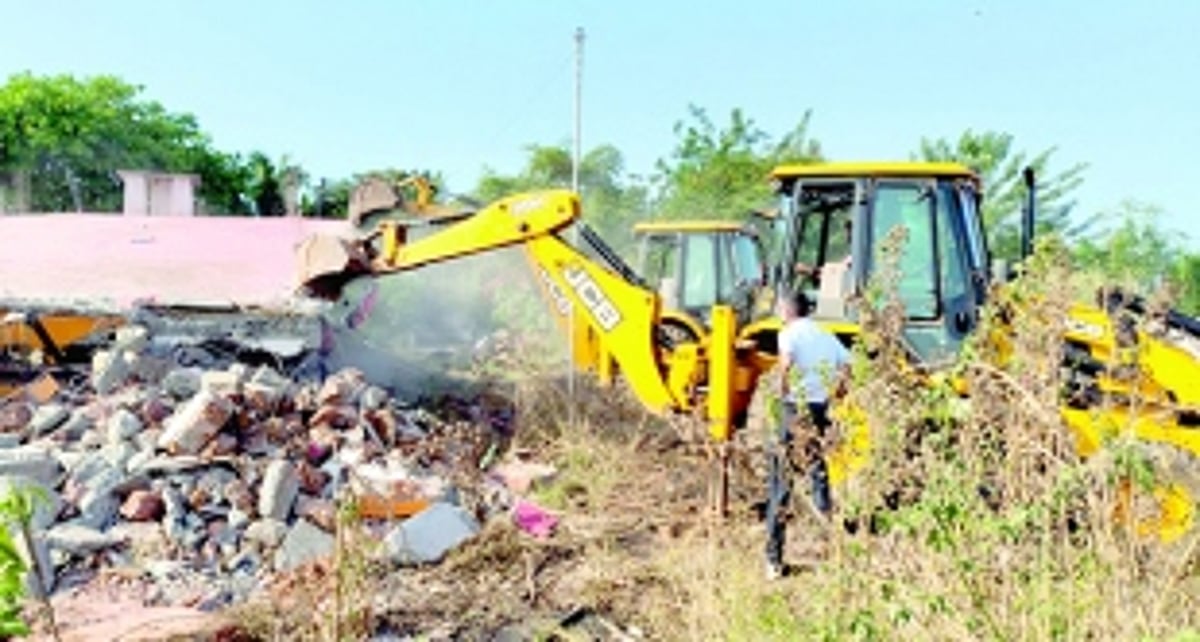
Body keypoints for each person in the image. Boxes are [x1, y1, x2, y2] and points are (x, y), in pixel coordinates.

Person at [764, 288, 852, 580]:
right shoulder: (826, 335)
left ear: (787, 311)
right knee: (820, 479)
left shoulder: (789, 333)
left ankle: (774, 561)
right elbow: (847, 365)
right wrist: (838, 393)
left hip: (794, 411)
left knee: (781, 484)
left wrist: (781, 391)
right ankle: (836, 552)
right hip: (820, 410)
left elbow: (786, 362)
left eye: (780, 309)